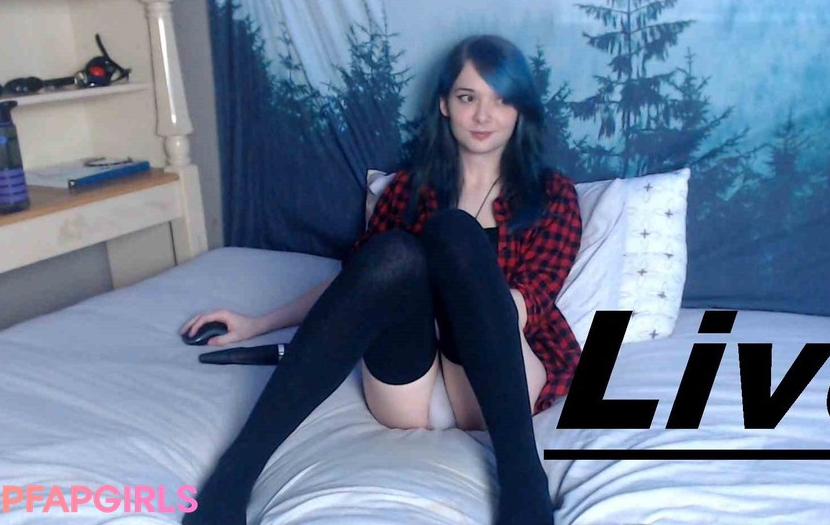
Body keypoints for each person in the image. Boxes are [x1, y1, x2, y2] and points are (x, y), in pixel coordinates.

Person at [180, 34, 583, 525]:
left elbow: (535, 296)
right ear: (444, 104)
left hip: (496, 387)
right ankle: (236, 472)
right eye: (467, 97)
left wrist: (462, 304)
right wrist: (258, 323)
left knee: (454, 232)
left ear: (519, 109)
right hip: (411, 389)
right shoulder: (409, 189)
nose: (483, 115)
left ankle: (524, 482)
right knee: (394, 252)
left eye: (500, 100)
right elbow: (360, 287)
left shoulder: (550, 193)